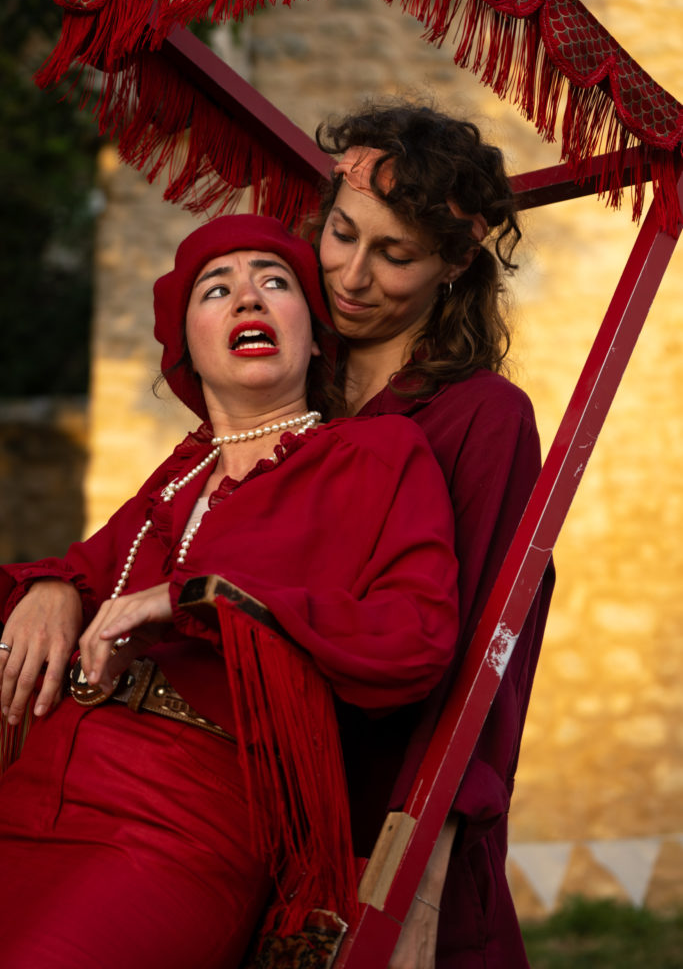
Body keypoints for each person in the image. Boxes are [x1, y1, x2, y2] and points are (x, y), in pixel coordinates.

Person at [0, 214, 463, 969]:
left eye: (274, 283)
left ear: (315, 338)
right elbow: (85, 573)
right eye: (218, 289)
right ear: (187, 350)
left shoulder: (373, 455)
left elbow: (413, 637)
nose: (248, 297)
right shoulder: (175, 476)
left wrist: (203, 597)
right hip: (38, 782)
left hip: (187, 813)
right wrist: (49, 583)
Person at [302, 99, 556, 969]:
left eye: (394, 255)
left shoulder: (482, 417)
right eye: (341, 235)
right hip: (263, 803)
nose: (351, 274)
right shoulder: (285, 393)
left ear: (454, 264)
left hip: (396, 820)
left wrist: (417, 875)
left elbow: (490, 658)